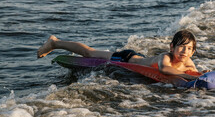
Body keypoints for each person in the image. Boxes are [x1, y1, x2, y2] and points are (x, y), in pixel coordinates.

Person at [37, 30, 206, 80]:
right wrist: (188, 76)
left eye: (188, 49)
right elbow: (165, 69)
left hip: (140, 59)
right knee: (90, 52)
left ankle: (55, 42)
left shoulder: (188, 62)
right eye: (181, 47)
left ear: (193, 51)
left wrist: (201, 75)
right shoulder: (166, 57)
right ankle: (55, 43)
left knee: (91, 52)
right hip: (126, 58)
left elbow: (195, 73)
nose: (184, 52)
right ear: (171, 47)